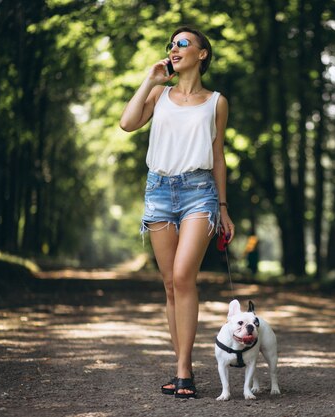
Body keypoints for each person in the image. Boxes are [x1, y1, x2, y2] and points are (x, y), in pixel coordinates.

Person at [119, 26, 234, 399]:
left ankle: (185, 371)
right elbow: (127, 123)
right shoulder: (159, 94)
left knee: (184, 276)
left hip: (199, 192)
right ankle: (183, 370)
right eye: (171, 44)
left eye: (183, 43)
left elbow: (218, 157)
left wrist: (223, 207)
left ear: (202, 54)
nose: (174, 48)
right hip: (159, 191)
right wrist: (149, 78)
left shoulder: (217, 101)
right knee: (170, 284)